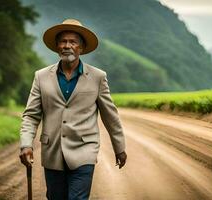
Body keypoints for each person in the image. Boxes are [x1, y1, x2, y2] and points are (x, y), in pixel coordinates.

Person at [19, 19, 127, 200]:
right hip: (52, 152)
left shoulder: (97, 77)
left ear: (81, 48)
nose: (67, 45)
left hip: (84, 151)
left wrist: (119, 148)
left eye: (73, 42)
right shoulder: (41, 76)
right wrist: (26, 144)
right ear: (57, 46)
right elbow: (31, 115)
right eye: (63, 41)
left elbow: (111, 116)